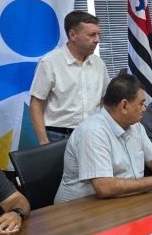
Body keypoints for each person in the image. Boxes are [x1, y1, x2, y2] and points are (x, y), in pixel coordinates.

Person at [54, 74, 152, 203]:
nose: (144, 109)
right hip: (78, 209)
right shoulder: (93, 131)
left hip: (123, 201)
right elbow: (104, 187)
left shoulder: (136, 126)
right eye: (141, 103)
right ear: (124, 106)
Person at [30, 10, 110, 145]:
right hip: (59, 135)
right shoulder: (50, 62)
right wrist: (44, 142)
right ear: (72, 35)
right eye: (91, 35)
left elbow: (103, 99)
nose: (97, 39)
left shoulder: (99, 64)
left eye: (98, 34)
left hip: (93, 133)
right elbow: (36, 104)